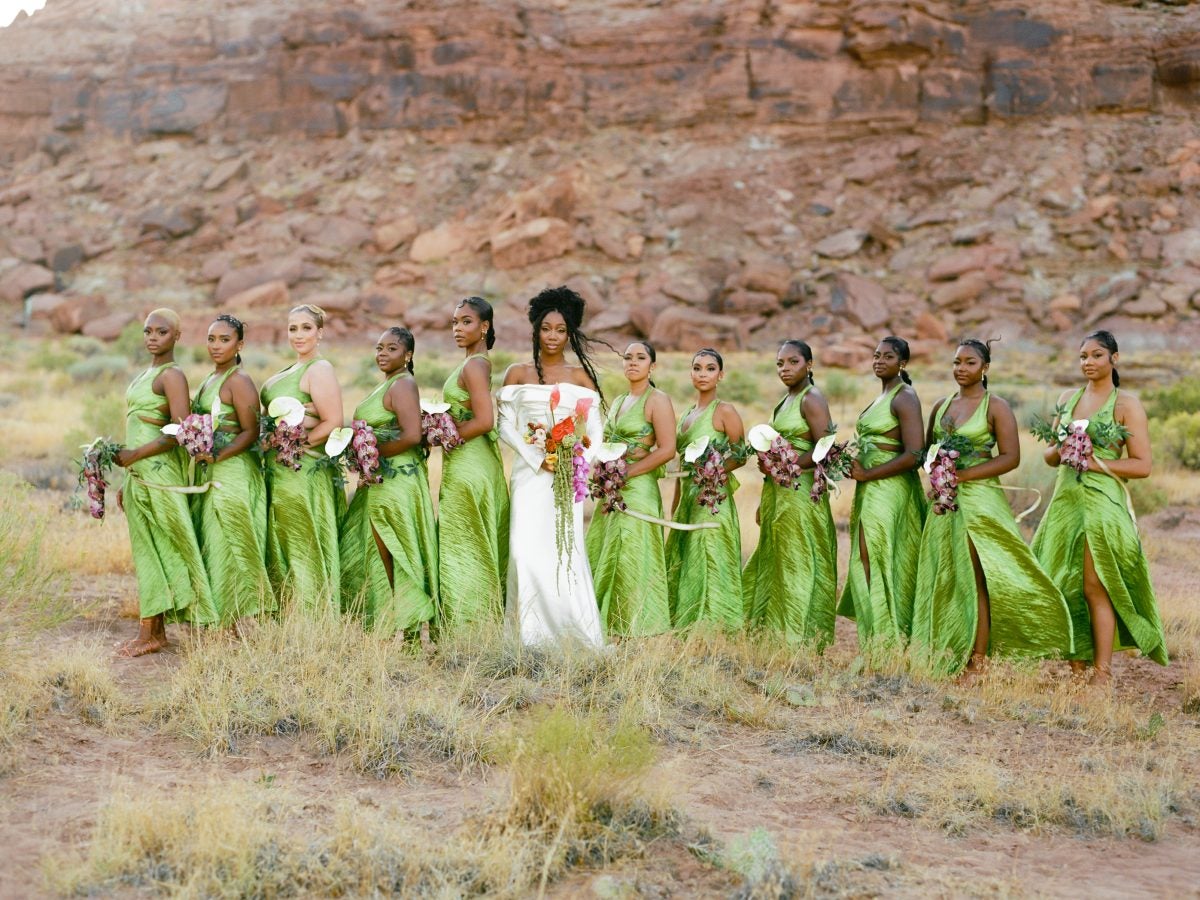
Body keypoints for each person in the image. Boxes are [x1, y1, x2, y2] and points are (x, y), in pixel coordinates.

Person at [910, 339, 1074, 679]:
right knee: (947, 574)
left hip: (981, 502)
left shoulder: (995, 406)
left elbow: (1010, 458)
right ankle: (947, 652)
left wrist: (964, 475)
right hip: (945, 503)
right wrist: (937, 475)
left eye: (969, 363)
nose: (960, 369)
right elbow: (927, 451)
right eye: (956, 362)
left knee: (978, 577)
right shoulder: (941, 405)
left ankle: (978, 661)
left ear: (985, 368)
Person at [1032, 330, 1167, 686]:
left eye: (1095, 356)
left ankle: (1102, 674)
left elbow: (1142, 466)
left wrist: (1093, 462)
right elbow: (1049, 456)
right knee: (1065, 583)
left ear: (1114, 359)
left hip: (1103, 502)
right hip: (1066, 502)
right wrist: (1062, 447)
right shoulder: (1068, 397)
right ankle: (1077, 673)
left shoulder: (1127, 404)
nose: (1087, 363)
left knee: (1095, 584)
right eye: (1082, 357)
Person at [498, 286, 607, 647]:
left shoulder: (580, 378)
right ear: (535, 328)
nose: (553, 337)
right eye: (547, 328)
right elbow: (504, 425)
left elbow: (595, 430)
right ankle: (528, 637)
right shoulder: (517, 373)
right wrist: (536, 459)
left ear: (570, 332)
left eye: (561, 330)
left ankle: (571, 633)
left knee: (564, 552)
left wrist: (575, 460)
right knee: (523, 552)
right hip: (529, 476)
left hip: (565, 480)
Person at [113, 308, 216, 655]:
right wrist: (126, 474)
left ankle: (158, 630)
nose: (152, 337)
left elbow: (179, 433)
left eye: (161, 332)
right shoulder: (147, 373)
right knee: (147, 550)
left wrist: (136, 455)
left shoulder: (172, 376)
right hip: (139, 473)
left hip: (160, 473)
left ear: (177, 336)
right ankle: (153, 632)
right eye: (147, 331)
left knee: (170, 544)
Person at [340, 328, 437, 645]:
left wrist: (371, 453)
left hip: (395, 481)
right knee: (382, 552)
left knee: (395, 552)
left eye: (391, 348)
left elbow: (410, 435)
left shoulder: (404, 384)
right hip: (380, 480)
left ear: (407, 354)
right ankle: (395, 631)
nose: (382, 353)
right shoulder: (387, 384)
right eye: (379, 347)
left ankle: (410, 635)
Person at [743, 340, 837, 646]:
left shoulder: (812, 399)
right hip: (777, 492)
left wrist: (789, 465)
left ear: (809, 364)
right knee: (777, 556)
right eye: (780, 364)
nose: (785, 369)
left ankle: (799, 636)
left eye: (793, 362)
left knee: (798, 559)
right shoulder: (784, 401)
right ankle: (771, 633)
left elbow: (825, 448)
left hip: (800, 491)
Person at [837, 336, 927, 652]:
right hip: (869, 488)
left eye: (887, 356)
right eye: (876, 356)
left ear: (902, 363)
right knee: (867, 558)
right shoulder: (882, 396)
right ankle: (877, 640)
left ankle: (888, 642)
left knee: (873, 555)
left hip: (889, 488)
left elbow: (916, 454)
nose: (879, 361)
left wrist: (870, 473)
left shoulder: (905, 397)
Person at [586, 340, 675, 637]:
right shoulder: (620, 400)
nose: (632, 363)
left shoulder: (657, 399)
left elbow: (667, 449)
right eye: (627, 358)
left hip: (637, 488)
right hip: (612, 490)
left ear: (653, 366)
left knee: (632, 556)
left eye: (640, 358)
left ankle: (637, 629)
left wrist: (628, 473)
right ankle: (605, 628)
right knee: (607, 551)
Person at [260, 304, 345, 612]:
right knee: (283, 537)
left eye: (306, 328)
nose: (298, 334)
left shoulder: (319, 369)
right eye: (293, 328)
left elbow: (333, 420)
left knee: (302, 539)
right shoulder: (291, 369)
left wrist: (291, 443)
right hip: (277, 470)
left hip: (301, 468)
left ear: (320, 333)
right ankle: (288, 615)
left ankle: (313, 617)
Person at [191, 314, 273, 626]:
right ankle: (218, 620)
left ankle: (236, 620)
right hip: (210, 471)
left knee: (231, 539)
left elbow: (250, 431)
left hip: (234, 471)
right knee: (213, 539)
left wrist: (218, 454)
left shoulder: (239, 380)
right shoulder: (209, 380)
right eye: (211, 338)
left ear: (240, 344)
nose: (216, 345)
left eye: (224, 339)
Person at [437, 297, 509, 628]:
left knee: (464, 541)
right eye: (454, 322)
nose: (457, 328)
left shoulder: (475, 365)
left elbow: (484, 421)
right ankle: (474, 623)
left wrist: (444, 437)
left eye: (466, 321)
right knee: (468, 539)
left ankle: (469, 624)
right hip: (467, 460)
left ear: (484, 327)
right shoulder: (472, 362)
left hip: (470, 463)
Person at [666, 348, 746, 630]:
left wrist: (713, 473)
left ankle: (716, 630)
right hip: (688, 499)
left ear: (720, 375)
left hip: (713, 498)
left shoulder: (725, 411)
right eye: (697, 368)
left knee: (710, 560)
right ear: (690, 373)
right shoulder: (687, 414)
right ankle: (688, 627)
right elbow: (681, 467)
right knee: (688, 561)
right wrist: (675, 508)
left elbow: (741, 454)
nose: (703, 374)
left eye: (710, 368)